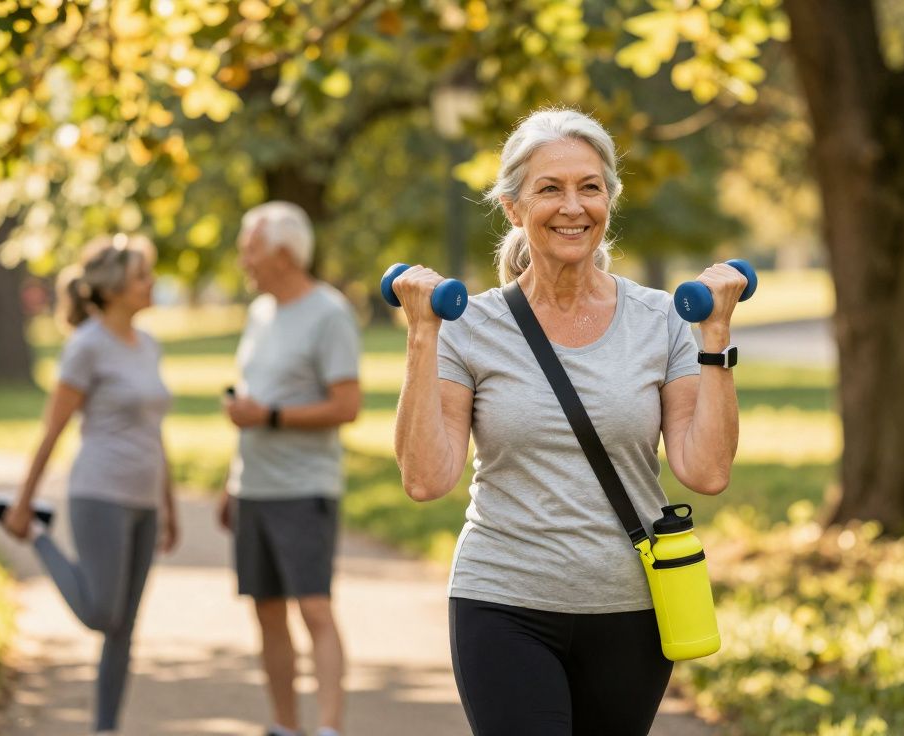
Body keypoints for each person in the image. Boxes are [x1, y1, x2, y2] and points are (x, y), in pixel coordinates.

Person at [391, 108, 746, 736]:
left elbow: (706, 470)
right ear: (512, 206)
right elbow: (426, 479)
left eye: (589, 186)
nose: (572, 206)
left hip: (632, 607)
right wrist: (423, 337)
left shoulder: (660, 318)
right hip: (503, 600)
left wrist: (713, 338)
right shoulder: (468, 326)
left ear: (610, 198)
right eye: (549, 188)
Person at [0, 233, 178, 736]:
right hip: (100, 492)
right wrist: (23, 504)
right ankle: (39, 534)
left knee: (124, 629)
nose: (150, 283)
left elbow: (155, 430)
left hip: (144, 498)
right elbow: (53, 429)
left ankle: (105, 727)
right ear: (112, 289)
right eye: (141, 277)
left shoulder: (148, 345)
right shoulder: (86, 347)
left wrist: (169, 504)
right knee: (100, 612)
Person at [217, 201, 361, 736]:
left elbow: (347, 406)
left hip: (305, 488)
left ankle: (328, 728)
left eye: (249, 248)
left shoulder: (330, 312)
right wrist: (232, 483)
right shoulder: (259, 314)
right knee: (267, 612)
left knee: (314, 609)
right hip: (254, 486)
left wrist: (270, 416)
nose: (243, 260)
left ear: (282, 252)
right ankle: (285, 726)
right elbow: (254, 401)